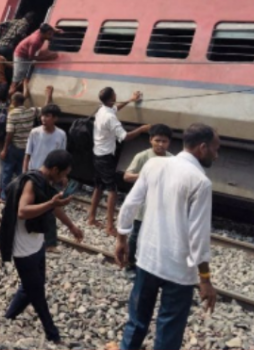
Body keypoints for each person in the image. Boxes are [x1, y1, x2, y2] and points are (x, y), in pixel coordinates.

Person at [115, 124, 219, 350]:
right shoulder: (200, 182)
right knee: (169, 331)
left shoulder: (153, 165)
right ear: (202, 147)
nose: (216, 154)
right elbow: (198, 235)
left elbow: (130, 204)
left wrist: (121, 239)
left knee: (136, 322)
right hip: (178, 270)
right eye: (215, 148)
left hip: (147, 259)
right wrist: (205, 279)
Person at [1, 149, 83, 345]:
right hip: (23, 248)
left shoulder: (45, 181)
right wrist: (50, 204)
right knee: (37, 293)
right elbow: (23, 211)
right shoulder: (31, 182)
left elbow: (54, 206)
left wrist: (71, 226)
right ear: (55, 169)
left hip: (36, 244)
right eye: (63, 173)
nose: (64, 178)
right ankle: (52, 333)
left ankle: (8, 316)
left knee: (32, 286)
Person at [87, 87, 150, 236]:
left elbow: (115, 108)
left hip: (97, 153)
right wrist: (141, 129)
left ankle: (91, 218)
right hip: (106, 156)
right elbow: (125, 136)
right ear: (112, 97)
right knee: (112, 190)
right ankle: (109, 226)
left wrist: (130, 99)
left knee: (99, 186)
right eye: (115, 94)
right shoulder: (110, 117)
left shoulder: (102, 109)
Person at [123, 124, 173, 273]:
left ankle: (148, 266)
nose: (160, 144)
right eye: (157, 140)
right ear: (151, 140)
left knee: (155, 237)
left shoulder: (172, 160)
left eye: (164, 141)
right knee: (135, 236)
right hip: (142, 206)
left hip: (161, 206)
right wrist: (145, 175)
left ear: (169, 142)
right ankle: (130, 264)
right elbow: (127, 176)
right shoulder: (143, 156)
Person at [23, 103, 67, 252]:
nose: (43, 118)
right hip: (35, 175)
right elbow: (28, 154)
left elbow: (62, 156)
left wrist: (63, 175)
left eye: (47, 116)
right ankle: (37, 238)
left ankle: (50, 242)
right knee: (34, 207)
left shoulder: (61, 135)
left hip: (52, 178)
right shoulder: (35, 132)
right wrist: (25, 173)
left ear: (55, 118)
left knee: (49, 209)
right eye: (42, 115)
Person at [0, 86, 55, 203]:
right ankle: (20, 195)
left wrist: (5, 149)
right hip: (26, 148)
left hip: (14, 147)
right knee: (22, 173)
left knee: (7, 172)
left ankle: (5, 196)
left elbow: (9, 134)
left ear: (13, 102)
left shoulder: (12, 114)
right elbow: (45, 109)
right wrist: (48, 96)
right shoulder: (30, 111)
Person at [11, 23, 59, 98]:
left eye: (51, 33)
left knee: (23, 77)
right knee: (16, 81)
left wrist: (55, 30)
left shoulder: (40, 31)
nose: (51, 36)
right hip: (21, 56)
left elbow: (45, 28)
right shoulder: (35, 41)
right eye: (49, 34)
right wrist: (47, 58)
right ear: (42, 33)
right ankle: (7, 100)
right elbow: (31, 57)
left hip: (26, 55)